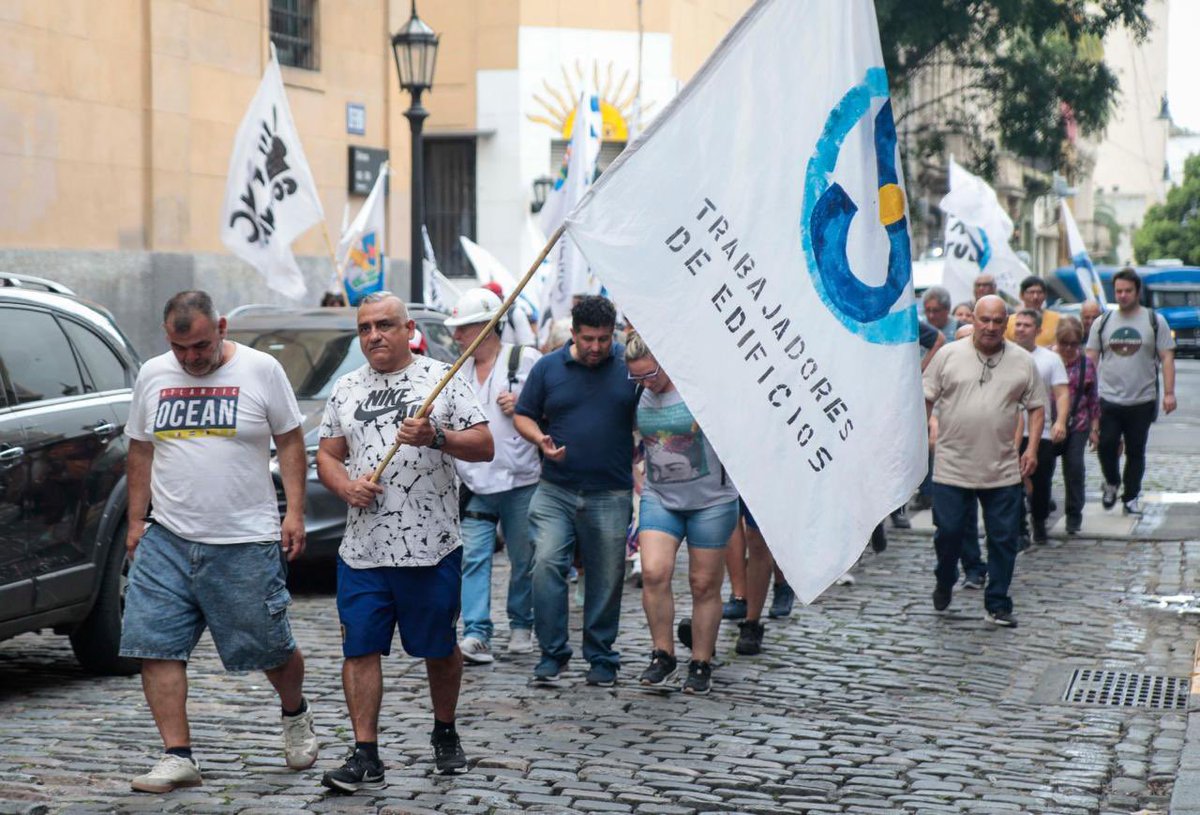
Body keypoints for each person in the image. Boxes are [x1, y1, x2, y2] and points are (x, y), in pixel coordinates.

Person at [119, 291, 317, 793]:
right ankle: (177, 754)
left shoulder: (261, 369)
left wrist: (293, 512)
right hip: (168, 536)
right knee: (154, 644)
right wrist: (136, 521)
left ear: (222, 327)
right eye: (179, 348)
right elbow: (140, 449)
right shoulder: (153, 375)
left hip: (244, 539)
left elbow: (290, 439)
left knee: (270, 649)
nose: (190, 358)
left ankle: (294, 711)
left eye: (200, 346)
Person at [316, 292, 493, 790]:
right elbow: (327, 455)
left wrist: (437, 437)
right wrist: (345, 485)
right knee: (361, 649)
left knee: (437, 648)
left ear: (408, 327)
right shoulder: (346, 388)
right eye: (365, 328)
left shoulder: (443, 377)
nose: (374, 335)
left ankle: (444, 731)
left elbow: (484, 445)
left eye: (385, 325)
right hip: (363, 549)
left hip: (430, 545)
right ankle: (365, 752)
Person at [514, 296, 639, 687]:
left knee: (606, 575)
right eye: (588, 339)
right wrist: (540, 439)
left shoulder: (627, 367)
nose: (596, 347)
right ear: (573, 333)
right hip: (556, 488)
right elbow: (523, 414)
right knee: (547, 563)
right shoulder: (548, 368)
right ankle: (553, 653)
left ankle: (601, 655)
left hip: (611, 491)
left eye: (604, 339)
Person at [923, 295, 1046, 628]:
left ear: (1005, 322)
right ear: (973, 321)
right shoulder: (948, 355)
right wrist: (924, 435)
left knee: (1003, 538)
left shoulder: (1022, 362)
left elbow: (1036, 407)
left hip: (1002, 467)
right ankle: (945, 579)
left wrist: (1031, 449)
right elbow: (926, 397)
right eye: (985, 320)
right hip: (952, 464)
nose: (991, 327)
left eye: (997, 321)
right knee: (948, 534)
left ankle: (998, 601)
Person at [626, 335, 739, 695]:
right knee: (655, 572)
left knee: (703, 584)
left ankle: (701, 661)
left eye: (650, 374)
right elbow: (629, 439)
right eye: (637, 378)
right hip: (661, 497)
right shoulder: (637, 393)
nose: (646, 383)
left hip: (711, 500)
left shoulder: (699, 386)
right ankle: (663, 654)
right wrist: (636, 475)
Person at [444, 288, 543, 663]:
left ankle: (521, 623)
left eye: (463, 328)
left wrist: (526, 405)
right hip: (475, 483)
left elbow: (553, 407)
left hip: (521, 482)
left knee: (524, 557)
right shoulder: (456, 372)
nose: (456, 336)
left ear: (487, 327)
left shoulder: (526, 360)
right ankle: (476, 632)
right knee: (473, 557)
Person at [1086, 267, 1177, 515]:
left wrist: (1169, 393)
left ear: (1137, 292)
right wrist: (1087, 394)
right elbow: (1091, 359)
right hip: (1108, 398)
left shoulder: (1154, 321)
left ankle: (1131, 496)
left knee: (1136, 450)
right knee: (1106, 445)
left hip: (1142, 399)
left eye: (1127, 291)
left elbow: (1167, 357)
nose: (1123, 295)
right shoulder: (1102, 322)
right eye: (1118, 291)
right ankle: (1112, 482)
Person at [1011, 308, 1069, 545]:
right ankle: (1018, 526)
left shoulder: (1050, 359)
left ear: (1038, 330)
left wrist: (1060, 421)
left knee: (1041, 481)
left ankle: (1039, 520)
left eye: (1026, 325)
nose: (1021, 329)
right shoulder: (1004, 355)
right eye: (1018, 324)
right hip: (1009, 430)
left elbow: (1062, 393)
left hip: (1041, 432)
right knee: (1011, 481)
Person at [1054, 317, 1100, 534]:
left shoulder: (1086, 363)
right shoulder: (1049, 359)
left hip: (1077, 423)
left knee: (1074, 467)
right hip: (1049, 423)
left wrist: (1094, 428)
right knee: (1042, 470)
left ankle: (1074, 514)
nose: (1069, 349)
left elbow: (1093, 398)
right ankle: (1039, 508)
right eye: (1065, 344)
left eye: (1074, 344)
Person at [1005, 275, 1059, 346]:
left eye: (1039, 292)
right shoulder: (1009, 322)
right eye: (1031, 292)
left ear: (1045, 295)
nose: (1035, 297)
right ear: (1021, 295)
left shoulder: (1057, 319)